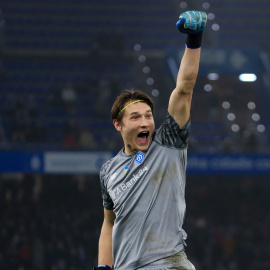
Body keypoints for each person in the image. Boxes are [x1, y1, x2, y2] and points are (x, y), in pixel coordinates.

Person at [94, 10, 207, 270]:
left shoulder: (168, 141)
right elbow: (109, 223)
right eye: (135, 117)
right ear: (118, 125)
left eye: (148, 115)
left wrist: (194, 39)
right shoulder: (108, 171)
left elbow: (184, 89)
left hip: (168, 264)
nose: (145, 122)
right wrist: (103, 266)